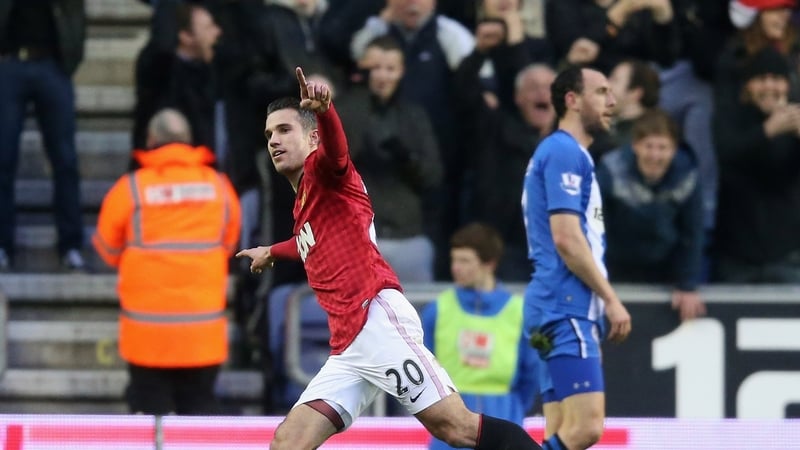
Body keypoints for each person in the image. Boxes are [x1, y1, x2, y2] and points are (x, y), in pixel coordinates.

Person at [236, 67, 542, 450]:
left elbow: (338, 153)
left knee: (456, 427)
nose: (274, 141)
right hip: (349, 345)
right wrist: (271, 251)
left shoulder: (325, 171)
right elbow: (308, 241)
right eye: (268, 135)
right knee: (288, 441)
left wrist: (327, 112)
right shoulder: (307, 201)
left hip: (375, 319)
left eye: (284, 130)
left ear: (312, 137)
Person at [93, 109, 242, 415]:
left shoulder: (131, 188)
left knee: (151, 420)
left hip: (146, 337)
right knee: (198, 417)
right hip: (203, 336)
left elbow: (107, 250)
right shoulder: (220, 188)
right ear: (188, 142)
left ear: (150, 141)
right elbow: (229, 246)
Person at [522, 66, 632, 450]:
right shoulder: (565, 151)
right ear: (572, 99)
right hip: (566, 304)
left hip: (550, 303)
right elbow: (567, 238)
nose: (612, 102)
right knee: (586, 428)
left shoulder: (563, 152)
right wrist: (611, 299)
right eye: (601, 92)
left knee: (559, 432)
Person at [420, 222, 539, 450]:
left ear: (489, 264)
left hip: (504, 425)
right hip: (449, 432)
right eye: (454, 259)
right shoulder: (438, 310)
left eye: (465, 261)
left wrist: (510, 409)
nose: (456, 268)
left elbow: (531, 373)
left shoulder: (518, 312)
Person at [0, 0, 87, 271]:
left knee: (65, 160)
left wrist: (69, 59)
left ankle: (71, 244)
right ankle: (2, 244)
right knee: (3, 158)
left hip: (52, 65)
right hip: (10, 64)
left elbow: (75, 17)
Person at [597, 109, 706, 321]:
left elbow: (692, 233)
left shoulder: (688, 177)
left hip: (663, 271)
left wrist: (687, 284)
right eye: (648, 146)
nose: (655, 156)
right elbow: (594, 229)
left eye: (663, 148)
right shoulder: (610, 172)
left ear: (674, 149)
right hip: (615, 268)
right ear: (635, 145)